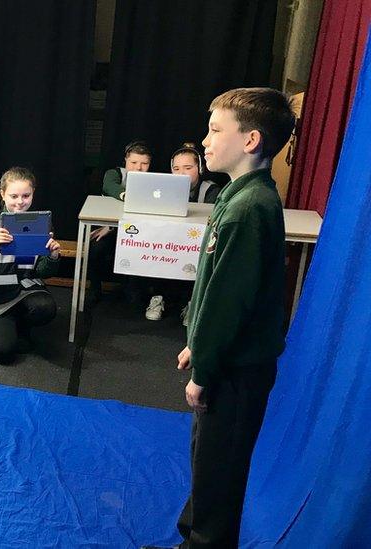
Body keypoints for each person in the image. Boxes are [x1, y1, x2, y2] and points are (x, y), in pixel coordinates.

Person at [174, 87, 295, 547]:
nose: (204, 140)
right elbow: (214, 286)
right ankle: (193, 538)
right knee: (207, 461)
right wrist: (196, 343)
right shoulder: (238, 194)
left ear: (250, 141)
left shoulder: (248, 208)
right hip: (224, 360)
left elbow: (229, 303)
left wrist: (206, 368)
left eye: (215, 130)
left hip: (236, 371)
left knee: (220, 471)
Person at [0, 167, 61, 365]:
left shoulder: (40, 223)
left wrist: (52, 256)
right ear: (2, 194)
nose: (20, 202)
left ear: (33, 194)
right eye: (14, 195)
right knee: (2, 353)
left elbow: (44, 272)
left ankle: (22, 324)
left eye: (26, 195)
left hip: (28, 291)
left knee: (45, 308)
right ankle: (8, 323)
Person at [89, 141, 154, 308]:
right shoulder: (115, 174)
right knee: (96, 248)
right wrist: (126, 196)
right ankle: (94, 288)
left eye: (144, 164)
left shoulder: (153, 182)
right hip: (110, 231)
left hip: (137, 233)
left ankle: (133, 289)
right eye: (133, 163)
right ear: (126, 160)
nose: (138, 168)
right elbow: (109, 186)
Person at [170, 142, 223, 326]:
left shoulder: (211, 191)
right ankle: (158, 296)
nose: (181, 173)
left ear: (200, 168)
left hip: (199, 244)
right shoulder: (163, 190)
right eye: (176, 169)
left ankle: (192, 304)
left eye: (187, 168)